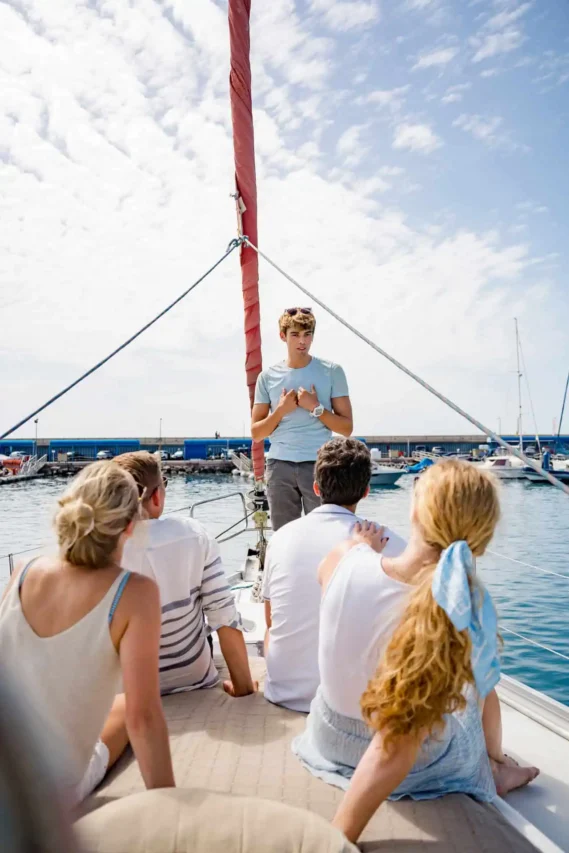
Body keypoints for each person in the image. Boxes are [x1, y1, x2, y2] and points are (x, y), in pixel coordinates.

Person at [292, 459, 539, 844]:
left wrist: (359, 545)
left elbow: (336, 585)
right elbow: (395, 747)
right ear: (482, 538)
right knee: (481, 683)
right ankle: (496, 766)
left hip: (328, 734)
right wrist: (335, 840)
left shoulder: (343, 560)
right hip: (401, 764)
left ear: (415, 512)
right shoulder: (453, 616)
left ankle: (494, 763)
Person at [0, 462, 175, 806]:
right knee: (127, 709)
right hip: (40, 800)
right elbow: (144, 718)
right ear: (129, 526)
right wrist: (171, 809)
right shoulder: (134, 593)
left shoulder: (23, 571)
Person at [263, 437, 406, 712]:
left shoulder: (281, 538)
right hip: (352, 703)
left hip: (284, 693)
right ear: (366, 491)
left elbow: (270, 620)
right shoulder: (390, 541)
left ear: (316, 487)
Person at [115, 451, 255, 697]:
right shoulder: (193, 535)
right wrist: (243, 689)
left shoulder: (98, 548)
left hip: (126, 691)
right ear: (156, 496)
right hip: (193, 678)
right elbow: (224, 617)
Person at [251, 308, 353, 531]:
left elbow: (346, 428)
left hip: (319, 465)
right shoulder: (267, 377)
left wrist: (316, 408)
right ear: (282, 336)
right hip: (279, 467)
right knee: (283, 538)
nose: (302, 341)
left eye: (307, 334)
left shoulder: (332, 371)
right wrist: (280, 410)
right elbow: (257, 433)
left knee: (325, 536)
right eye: (295, 335)